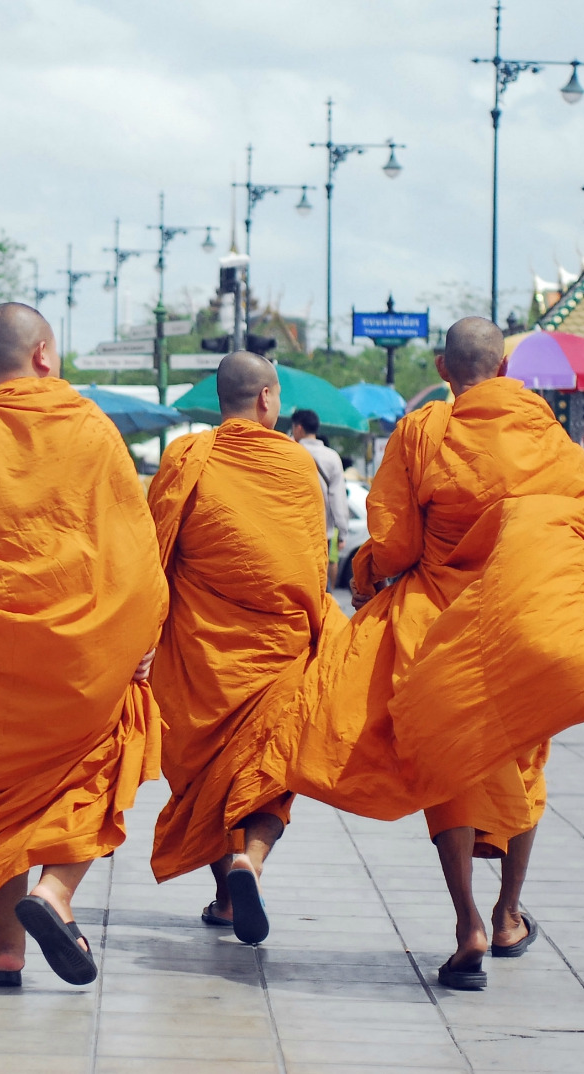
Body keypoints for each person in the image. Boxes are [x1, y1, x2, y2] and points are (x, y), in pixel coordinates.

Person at [260, 316, 584, 992]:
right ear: (505, 368)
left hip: (440, 621)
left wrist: (366, 572)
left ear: (441, 367)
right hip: (526, 616)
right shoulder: (543, 429)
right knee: (523, 762)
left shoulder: (424, 430)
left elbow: (396, 545)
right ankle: (508, 910)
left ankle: (467, 926)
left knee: (449, 767)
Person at [0, 302, 168, 988]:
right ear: (44, 354)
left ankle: (5, 948)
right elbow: (132, 548)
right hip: (83, 658)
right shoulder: (93, 430)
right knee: (102, 761)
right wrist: (143, 637)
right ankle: (55, 893)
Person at [147, 352, 333, 945]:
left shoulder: (185, 459)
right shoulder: (296, 466)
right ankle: (251, 858)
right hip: (277, 649)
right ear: (266, 400)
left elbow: (155, 554)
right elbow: (312, 567)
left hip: (201, 653)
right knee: (269, 764)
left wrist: (143, 639)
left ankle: (228, 896)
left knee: (206, 771)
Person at [291, 408, 349, 588]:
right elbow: (338, 498)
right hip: (324, 531)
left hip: (295, 529)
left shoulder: (291, 452)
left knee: (299, 581)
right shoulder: (332, 457)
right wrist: (343, 532)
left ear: (299, 428)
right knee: (321, 583)